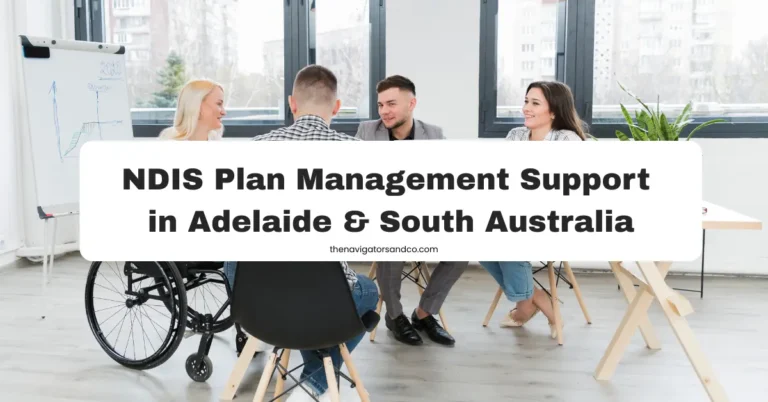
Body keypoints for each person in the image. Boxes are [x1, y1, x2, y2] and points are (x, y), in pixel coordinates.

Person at [253, 64, 379, 402]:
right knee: (367, 291)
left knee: (317, 299)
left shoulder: (250, 150)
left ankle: (311, 378)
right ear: (336, 108)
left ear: (292, 104)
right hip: (324, 301)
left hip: (255, 306)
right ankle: (314, 385)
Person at [355, 75, 467, 347]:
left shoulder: (434, 135)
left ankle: (424, 313)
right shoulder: (367, 132)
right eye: (381, 104)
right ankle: (394, 316)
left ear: (412, 103)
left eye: (391, 104)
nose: (384, 111)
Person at [480, 81, 586, 337]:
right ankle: (536, 300)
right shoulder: (516, 136)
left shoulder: (566, 141)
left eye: (535, 103)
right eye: (526, 101)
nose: (526, 108)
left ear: (554, 111)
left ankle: (527, 307)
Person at [158, 78, 227, 140]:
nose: (224, 113)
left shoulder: (214, 138)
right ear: (197, 105)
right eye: (219, 104)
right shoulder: (169, 142)